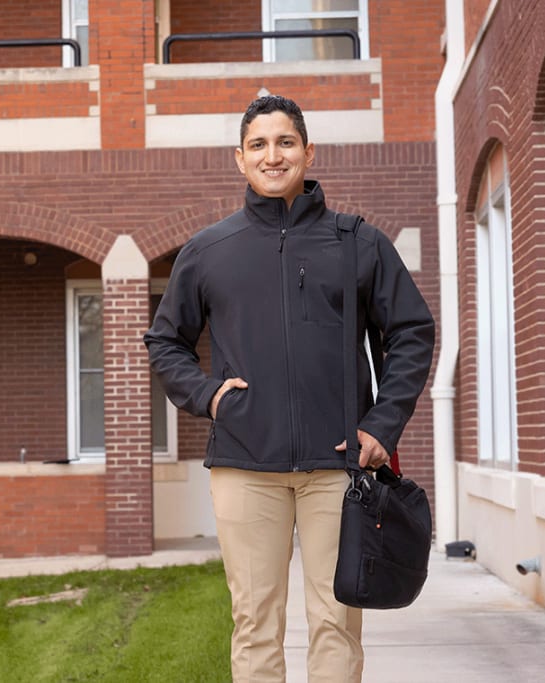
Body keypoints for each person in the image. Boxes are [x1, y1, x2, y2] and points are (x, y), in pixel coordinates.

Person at [143, 95, 435, 682]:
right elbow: (165, 341)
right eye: (259, 144)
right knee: (255, 623)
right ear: (239, 159)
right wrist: (208, 397)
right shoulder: (207, 251)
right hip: (246, 466)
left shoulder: (357, 242)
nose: (272, 155)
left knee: (336, 621)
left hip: (337, 469)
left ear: (307, 152)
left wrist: (381, 425)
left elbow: (411, 331)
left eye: (284, 142)